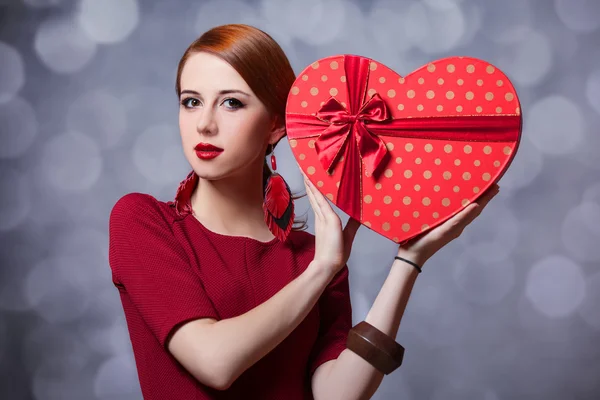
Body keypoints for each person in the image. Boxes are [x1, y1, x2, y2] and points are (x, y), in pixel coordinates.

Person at [108, 24, 500, 400]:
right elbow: (215, 363)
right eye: (191, 101)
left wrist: (409, 259)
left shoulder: (312, 255)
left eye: (231, 103)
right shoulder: (143, 222)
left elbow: (335, 395)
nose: (205, 124)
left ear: (277, 124)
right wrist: (321, 271)